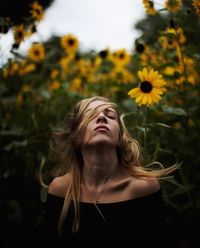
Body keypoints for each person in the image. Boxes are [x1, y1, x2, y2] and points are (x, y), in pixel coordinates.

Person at [44, 95, 179, 246]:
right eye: (91, 116)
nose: (102, 117)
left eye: (110, 115)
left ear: (119, 136)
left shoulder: (144, 188)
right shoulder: (61, 189)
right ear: (75, 136)